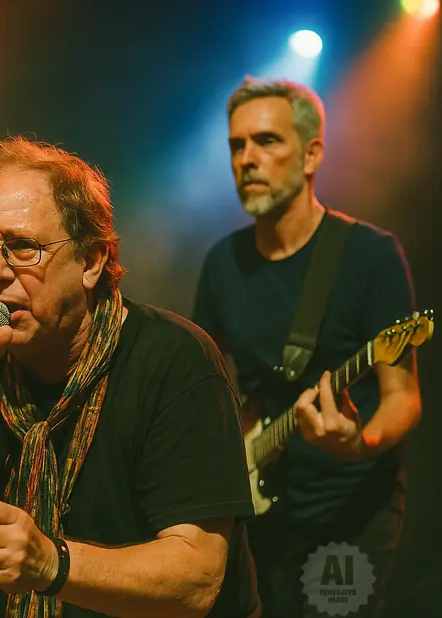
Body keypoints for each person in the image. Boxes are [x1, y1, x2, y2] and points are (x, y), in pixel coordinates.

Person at [0, 136, 260, 618]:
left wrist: (50, 563)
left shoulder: (176, 358)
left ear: (91, 261)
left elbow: (197, 578)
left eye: (22, 248)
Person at [192, 77, 422, 617]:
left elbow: (403, 397)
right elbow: (204, 386)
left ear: (312, 153)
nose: (246, 159)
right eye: (236, 145)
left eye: (266, 141)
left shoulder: (370, 255)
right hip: (261, 503)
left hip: (351, 505)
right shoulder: (222, 264)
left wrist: (358, 442)